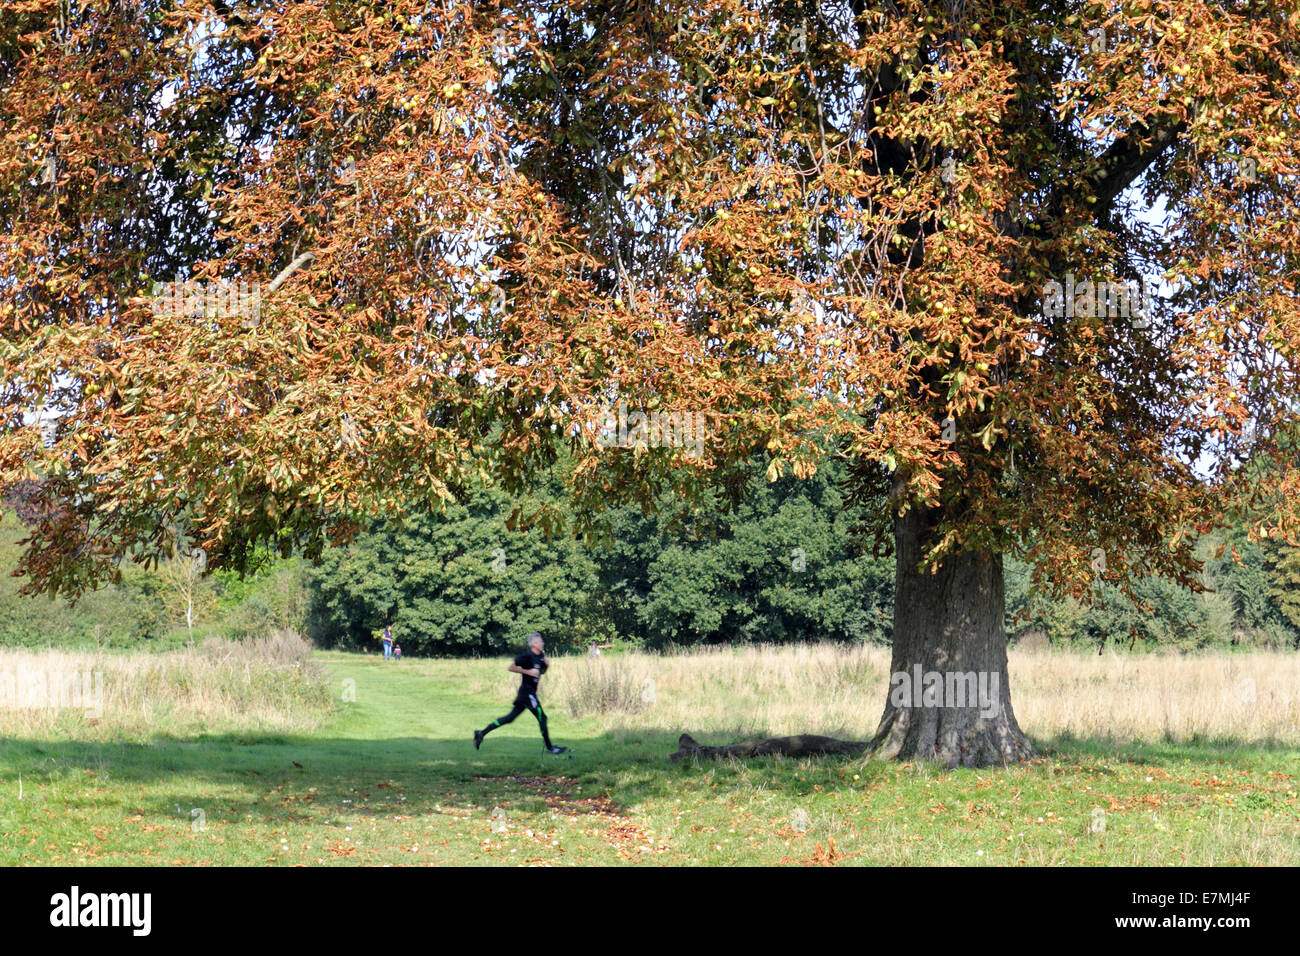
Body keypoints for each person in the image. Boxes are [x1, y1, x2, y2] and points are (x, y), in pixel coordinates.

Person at [474, 632, 568, 754]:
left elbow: (541, 672)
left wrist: (547, 665)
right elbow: (511, 667)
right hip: (527, 694)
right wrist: (528, 672)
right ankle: (550, 748)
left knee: (510, 718)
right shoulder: (527, 656)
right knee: (542, 717)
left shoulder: (540, 655)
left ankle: (481, 733)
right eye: (541, 641)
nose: (543, 643)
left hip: (527, 695)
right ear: (534, 644)